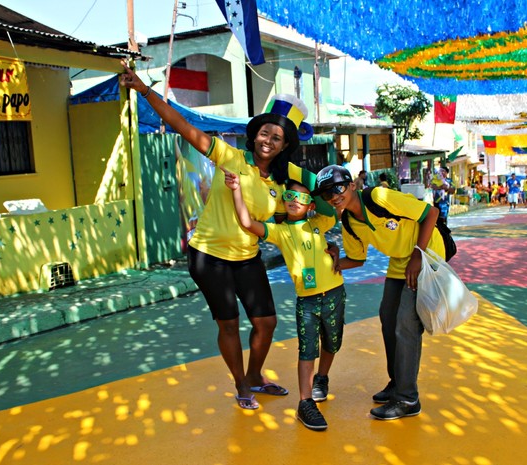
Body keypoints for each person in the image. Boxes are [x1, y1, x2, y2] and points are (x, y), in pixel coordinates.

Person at [120, 62, 315, 410]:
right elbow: (183, 126)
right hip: (209, 256)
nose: (268, 141)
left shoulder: (283, 181)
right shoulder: (231, 157)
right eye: (264, 133)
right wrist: (144, 90)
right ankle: (241, 383)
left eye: (277, 138)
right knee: (229, 325)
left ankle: (255, 375)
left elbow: (315, 200)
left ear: (285, 146)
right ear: (255, 135)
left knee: (266, 322)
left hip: (247, 257)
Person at [311, 165, 445, 421]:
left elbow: (431, 213)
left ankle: (407, 399)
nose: (334, 196)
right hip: (400, 261)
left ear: (351, 185)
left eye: (338, 187)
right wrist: (335, 260)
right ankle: (397, 382)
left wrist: (418, 254)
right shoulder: (349, 221)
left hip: (426, 253)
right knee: (388, 318)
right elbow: (357, 259)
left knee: (406, 323)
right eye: (327, 194)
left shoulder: (378, 198)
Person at [222, 169, 344, 430]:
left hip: (335, 291)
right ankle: (305, 402)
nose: (294, 201)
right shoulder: (279, 231)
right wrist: (236, 191)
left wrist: (306, 182)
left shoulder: (317, 222)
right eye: (289, 196)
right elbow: (246, 222)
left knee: (332, 343)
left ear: (310, 204)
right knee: (307, 349)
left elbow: (331, 210)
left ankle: (322, 378)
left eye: (301, 198)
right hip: (307, 301)